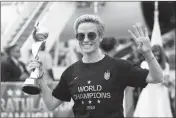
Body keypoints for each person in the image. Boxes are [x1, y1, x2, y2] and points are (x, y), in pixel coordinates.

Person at [28, 14, 163, 118]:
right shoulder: (70, 72)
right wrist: (40, 78)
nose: (86, 40)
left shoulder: (119, 66)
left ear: (101, 37)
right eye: (81, 36)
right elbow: (51, 104)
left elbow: (156, 77)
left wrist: (147, 53)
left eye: (91, 35)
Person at [133, 44, 173, 117]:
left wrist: (169, 83)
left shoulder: (165, 65)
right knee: (147, 112)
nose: (156, 57)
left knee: (160, 112)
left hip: (161, 93)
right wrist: (161, 79)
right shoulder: (145, 64)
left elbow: (166, 82)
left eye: (158, 55)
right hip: (149, 91)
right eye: (154, 55)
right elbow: (147, 79)